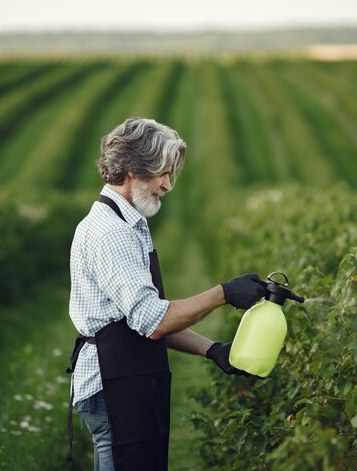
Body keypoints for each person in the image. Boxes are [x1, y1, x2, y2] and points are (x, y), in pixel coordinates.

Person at [66, 117, 266, 471]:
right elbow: (154, 321)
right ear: (130, 170)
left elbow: (147, 315)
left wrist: (213, 350)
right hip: (112, 385)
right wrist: (224, 293)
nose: (168, 185)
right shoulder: (112, 233)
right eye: (161, 172)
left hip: (126, 375)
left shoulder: (131, 223)